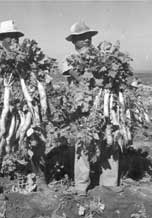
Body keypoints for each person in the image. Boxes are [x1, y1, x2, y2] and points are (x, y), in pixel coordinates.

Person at [0, 19, 51, 195]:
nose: (13, 40)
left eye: (15, 36)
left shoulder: (28, 61)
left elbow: (39, 79)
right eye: (8, 37)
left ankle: (41, 181)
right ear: (1, 40)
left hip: (25, 109)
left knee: (36, 144)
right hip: (3, 109)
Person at [62, 21, 120, 196]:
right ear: (74, 41)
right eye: (81, 38)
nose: (86, 40)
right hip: (83, 107)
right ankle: (81, 186)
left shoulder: (103, 56)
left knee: (110, 140)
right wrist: (99, 81)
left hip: (105, 104)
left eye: (88, 36)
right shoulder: (68, 60)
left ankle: (109, 182)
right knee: (84, 143)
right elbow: (80, 78)